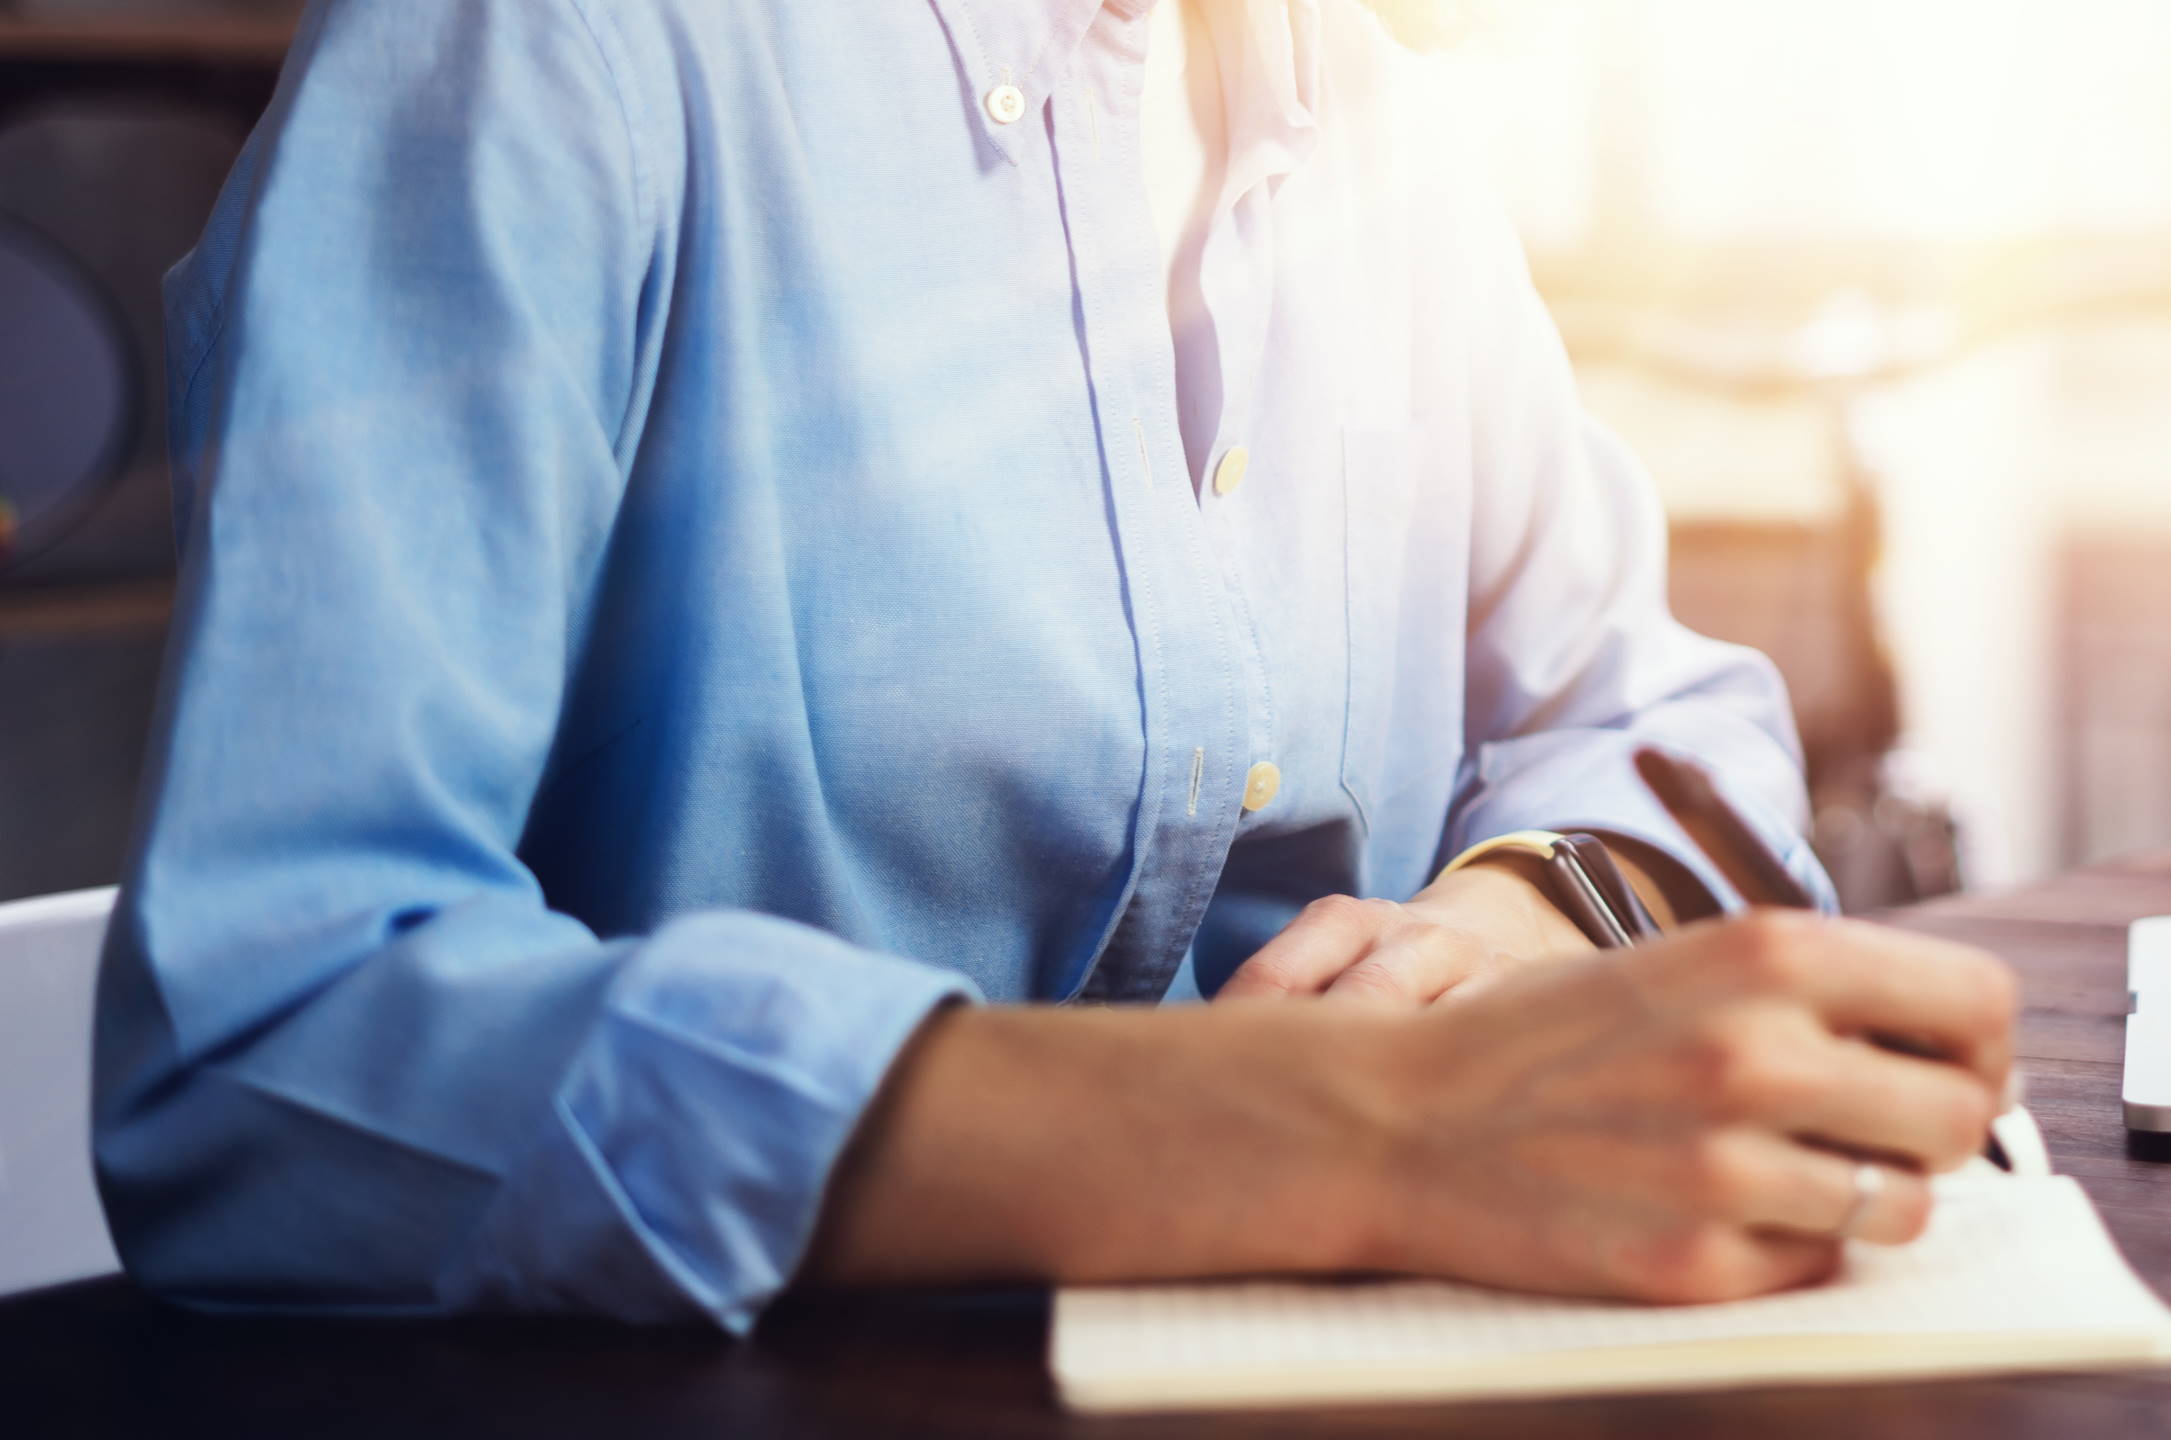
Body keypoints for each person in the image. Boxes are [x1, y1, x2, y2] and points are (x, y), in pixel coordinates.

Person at [93, 0, 2016, 1332]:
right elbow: (268, 1050)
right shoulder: (555, 54)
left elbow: (1663, 718)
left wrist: (1516, 921)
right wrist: (1361, 1140)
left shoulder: (1370, 116)